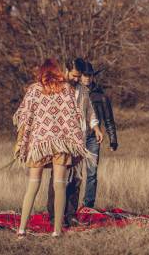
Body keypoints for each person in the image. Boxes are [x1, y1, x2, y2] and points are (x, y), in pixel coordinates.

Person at [13, 58, 95, 237]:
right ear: (57, 72)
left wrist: (20, 142)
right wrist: (78, 146)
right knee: (60, 186)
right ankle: (57, 231)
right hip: (61, 144)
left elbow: (24, 119)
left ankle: (21, 230)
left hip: (39, 144)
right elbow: (74, 118)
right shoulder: (66, 90)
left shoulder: (34, 90)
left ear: (41, 73)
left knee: (32, 187)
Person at [46, 57, 103, 227]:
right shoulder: (58, 89)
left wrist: (97, 128)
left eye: (79, 76)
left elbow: (90, 112)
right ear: (66, 71)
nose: (77, 79)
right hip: (62, 140)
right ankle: (55, 216)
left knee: (76, 178)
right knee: (58, 178)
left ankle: (71, 214)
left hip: (80, 140)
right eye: (75, 75)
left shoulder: (84, 91)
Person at [80, 61, 118, 208]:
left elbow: (109, 119)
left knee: (92, 174)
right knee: (73, 175)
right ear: (81, 76)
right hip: (76, 137)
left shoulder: (101, 96)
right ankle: (67, 208)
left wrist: (113, 139)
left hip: (93, 138)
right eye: (85, 75)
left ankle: (88, 206)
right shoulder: (74, 92)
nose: (87, 78)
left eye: (90, 75)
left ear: (93, 77)